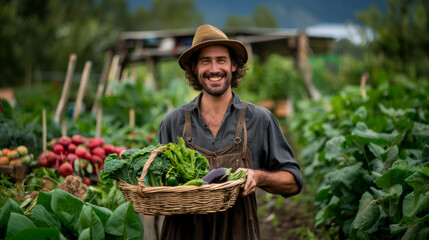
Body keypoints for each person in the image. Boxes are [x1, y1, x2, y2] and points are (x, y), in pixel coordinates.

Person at [157, 24, 304, 240]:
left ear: (234, 66)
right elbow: (159, 185)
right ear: (195, 69)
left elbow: (293, 182)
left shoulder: (260, 119)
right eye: (205, 61)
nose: (214, 69)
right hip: (183, 232)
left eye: (221, 60)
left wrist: (258, 176)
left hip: (239, 232)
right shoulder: (173, 122)